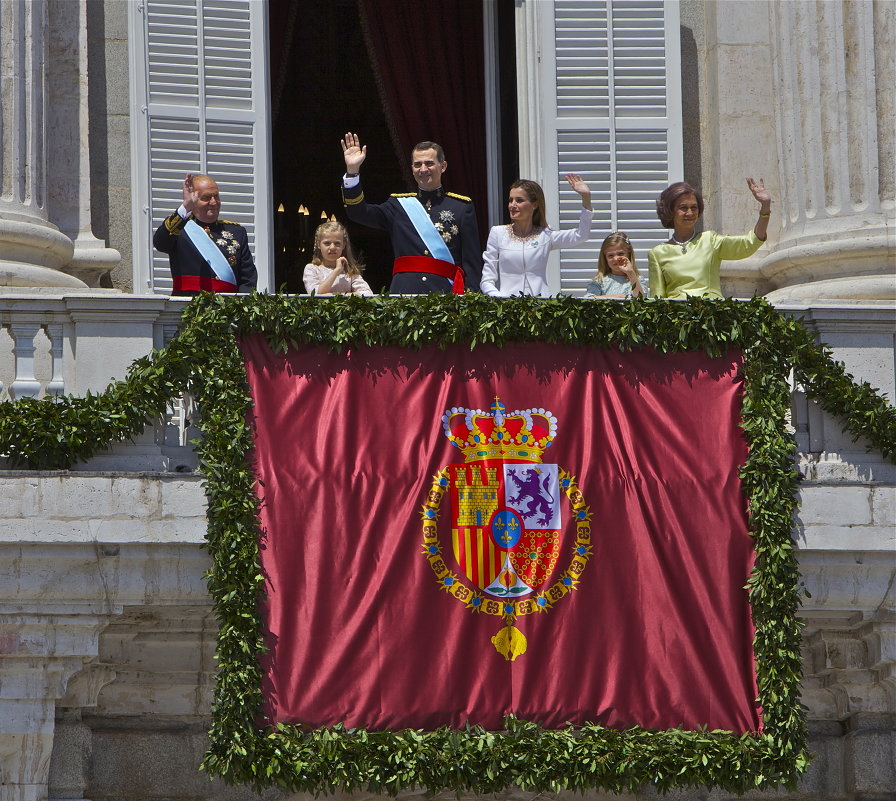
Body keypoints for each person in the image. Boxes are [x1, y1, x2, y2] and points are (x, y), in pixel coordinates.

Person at [340, 133, 481, 294]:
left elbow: (472, 263)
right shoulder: (398, 206)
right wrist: (352, 171)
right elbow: (358, 213)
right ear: (412, 169)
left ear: (443, 166)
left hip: (445, 296)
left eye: (429, 163)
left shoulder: (462, 208)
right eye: (417, 164)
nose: (423, 169)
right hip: (404, 295)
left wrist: (471, 301)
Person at [647, 179, 771, 299]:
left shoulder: (710, 240)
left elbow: (750, 243)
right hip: (676, 318)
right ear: (670, 211)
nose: (690, 213)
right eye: (683, 208)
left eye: (694, 207)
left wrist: (765, 206)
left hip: (711, 315)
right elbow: (657, 299)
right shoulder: (658, 253)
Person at [480, 175, 592, 297]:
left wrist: (586, 198)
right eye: (510, 200)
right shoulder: (498, 233)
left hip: (540, 307)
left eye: (519, 200)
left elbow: (581, 235)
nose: (512, 205)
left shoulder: (545, 235)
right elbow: (487, 280)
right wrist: (500, 299)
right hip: (508, 307)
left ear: (534, 205)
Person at [153, 173, 257, 296]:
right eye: (206, 197)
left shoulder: (237, 232)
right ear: (194, 200)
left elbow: (248, 279)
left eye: (216, 196)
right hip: (189, 308)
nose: (213, 202)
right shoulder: (180, 229)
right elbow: (160, 243)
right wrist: (185, 206)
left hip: (227, 311)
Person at [303, 221, 373, 296]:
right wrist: (337, 270)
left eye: (337, 243)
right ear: (318, 244)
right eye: (327, 243)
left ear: (343, 245)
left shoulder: (349, 270)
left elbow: (367, 293)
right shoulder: (311, 269)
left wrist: (335, 295)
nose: (332, 247)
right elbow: (315, 294)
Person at [583, 232, 646, 299]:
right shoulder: (599, 281)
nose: (616, 259)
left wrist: (630, 273)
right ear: (605, 258)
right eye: (610, 255)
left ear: (629, 254)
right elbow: (589, 299)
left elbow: (641, 299)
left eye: (620, 254)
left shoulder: (637, 279)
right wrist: (618, 297)